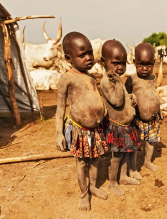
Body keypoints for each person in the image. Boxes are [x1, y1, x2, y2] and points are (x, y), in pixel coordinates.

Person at [55, 32, 108, 211]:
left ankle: (93, 187)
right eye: (82, 54)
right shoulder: (67, 78)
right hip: (80, 130)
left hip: (95, 130)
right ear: (69, 58)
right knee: (82, 162)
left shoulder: (92, 77)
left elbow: (96, 99)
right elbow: (60, 108)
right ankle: (84, 193)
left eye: (90, 53)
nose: (88, 58)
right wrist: (58, 134)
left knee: (95, 160)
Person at [100, 40, 141, 196]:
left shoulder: (116, 80)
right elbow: (116, 101)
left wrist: (131, 97)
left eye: (123, 63)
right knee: (116, 157)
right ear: (103, 62)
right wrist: (118, 82)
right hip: (116, 127)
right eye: (116, 63)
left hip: (125, 126)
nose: (120, 67)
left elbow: (122, 97)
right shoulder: (106, 81)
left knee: (125, 152)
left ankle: (123, 177)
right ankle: (112, 183)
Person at [125, 42, 163, 180]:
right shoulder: (132, 79)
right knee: (135, 144)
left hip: (152, 120)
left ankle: (147, 161)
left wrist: (159, 111)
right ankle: (133, 168)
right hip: (137, 120)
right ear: (134, 62)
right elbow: (126, 97)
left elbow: (155, 95)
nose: (145, 68)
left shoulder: (153, 79)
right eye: (141, 65)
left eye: (149, 65)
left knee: (151, 142)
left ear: (153, 63)